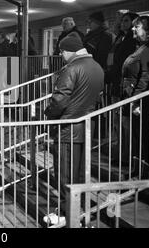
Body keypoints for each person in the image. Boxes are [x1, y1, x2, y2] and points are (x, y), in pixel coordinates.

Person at [45, 33, 104, 219]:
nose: (61, 55)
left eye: (62, 51)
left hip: (67, 130)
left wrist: (47, 112)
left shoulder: (71, 68)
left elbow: (59, 100)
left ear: (69, 50)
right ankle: (78, 210)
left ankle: (65, 213)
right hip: (86, 127)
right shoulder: (97, 67)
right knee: (79, 173)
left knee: (64, 175)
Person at [121, 16, 149, 176]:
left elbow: (146, 77)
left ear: (147, 29)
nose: (133, 29)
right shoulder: (144, 46)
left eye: (137, 26)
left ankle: (146, 171)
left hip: (143, 102)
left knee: (143, 137)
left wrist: (136, 102)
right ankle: (139, 169)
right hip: (137, 99)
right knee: (139, 136)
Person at [106, 11, 139, 99]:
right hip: (115, 74)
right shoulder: (120, 37)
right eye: (122, 21)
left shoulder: (133, 39)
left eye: (126, 21)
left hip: (123, 76)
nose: (122, 23)